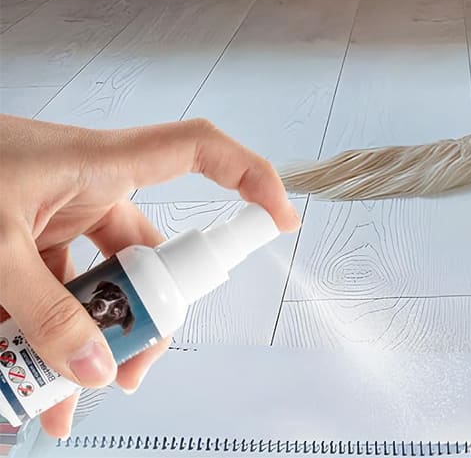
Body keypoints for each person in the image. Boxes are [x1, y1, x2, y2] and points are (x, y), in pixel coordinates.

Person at [0, 115, 300, 438]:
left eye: (115, 310)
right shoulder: (151, 277)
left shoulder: (167, 304)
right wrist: (56, 323)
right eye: (111, 299)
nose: (102, 307)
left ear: (124, 324)